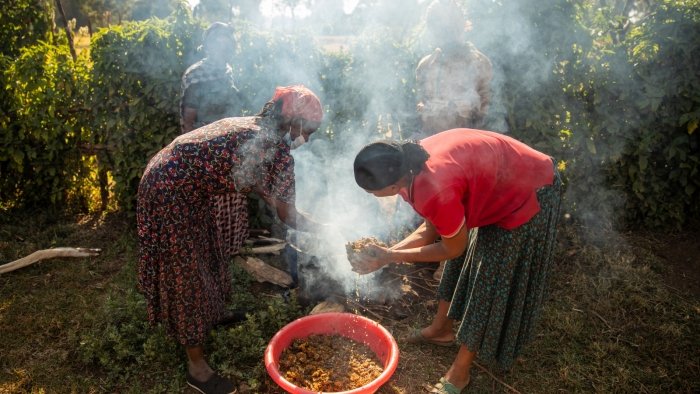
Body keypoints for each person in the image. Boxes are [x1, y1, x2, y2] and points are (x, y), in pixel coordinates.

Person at [137, 85, 324, 394]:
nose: (308, 137)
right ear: (294, 120)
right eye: (310, 130)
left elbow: (262, 187)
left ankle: (213, 313)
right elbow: (287, 215)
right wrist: (325, 227)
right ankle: (197, 369)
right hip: (168, 191)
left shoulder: (257, 128)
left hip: (179, 184)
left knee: (209, 249)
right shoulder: (274, 148)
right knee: (187, 273)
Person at [350, 129, 562, 393]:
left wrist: (390, 256)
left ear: (393, 185)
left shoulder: (434, 185)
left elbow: (453, 248)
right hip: (500, 184)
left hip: (529, 188)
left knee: (490, 281)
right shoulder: (409, 163)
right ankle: (441, 330)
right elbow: (432, 227)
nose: (371, 195)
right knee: (458, 268)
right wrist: (387, 254)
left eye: (372, 192)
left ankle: (460, 373)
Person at [415, 0, 492, 138]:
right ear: (432, 29)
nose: (446, 32)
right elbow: (421, 104)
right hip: (433, 146)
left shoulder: (480, 63)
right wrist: (428, 109)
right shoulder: (426, 65)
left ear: (462, 26)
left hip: (471, 145)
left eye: (451, 26)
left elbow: (490, 112)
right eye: (438, 25)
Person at [180, 22, 245, 133]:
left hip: (227, 137)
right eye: (221, 48)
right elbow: (188, 122)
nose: (225, 52)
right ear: (209, 47)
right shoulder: (195, 74)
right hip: (202, 140)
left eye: (228, 48)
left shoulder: (227, 70)